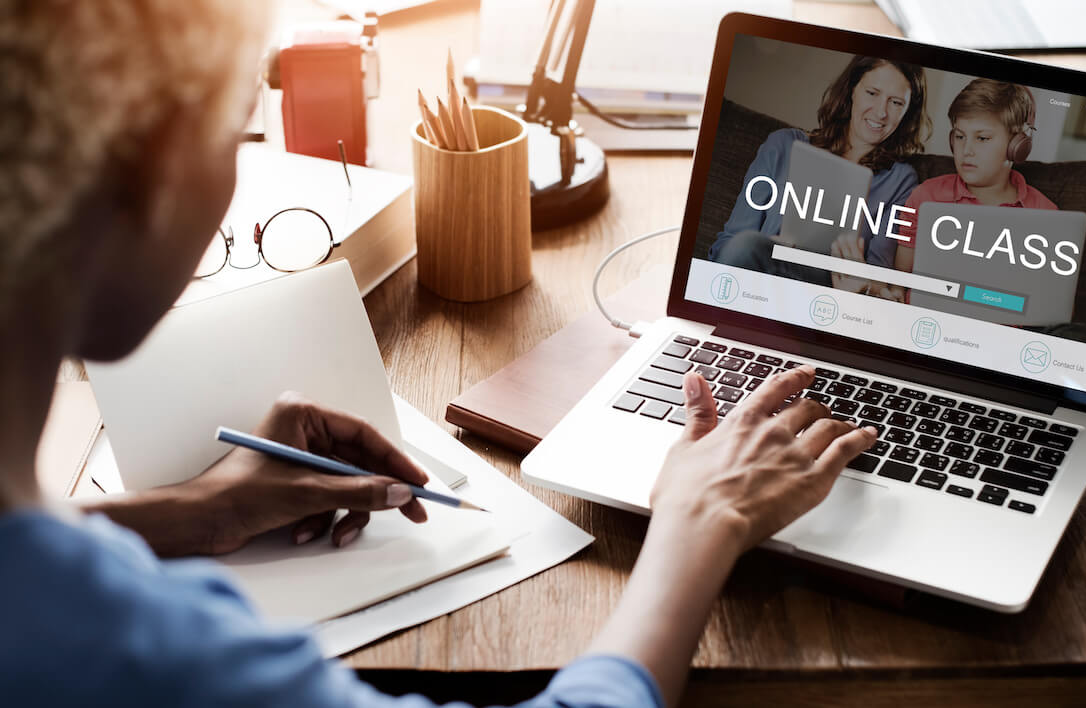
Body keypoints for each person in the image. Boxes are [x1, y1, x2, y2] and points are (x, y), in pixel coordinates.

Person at [0, 2, 876, 707]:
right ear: (146, 177)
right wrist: (697, 525)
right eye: (236, 133)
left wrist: (189, 511)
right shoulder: (152, 656)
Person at [710, 54, 928, 298]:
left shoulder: (900, 180)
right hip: (756, 273)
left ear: (907, 112)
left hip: (826, 292)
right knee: (746, 244)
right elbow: (728, 243)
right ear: (851, 91)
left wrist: (862, 279)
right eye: (872, 93)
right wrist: (765, 249)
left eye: (896, 103)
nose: (881, 112)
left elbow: (880, 271)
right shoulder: (783, 145)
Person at [891, 79, 1058, 292]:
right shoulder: (925, 196)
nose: (966, 150)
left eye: (982, 138)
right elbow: (899, 283)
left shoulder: (1046, 215)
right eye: (960, 136)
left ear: (1018, 145)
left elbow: (1048, 302)